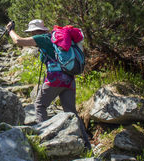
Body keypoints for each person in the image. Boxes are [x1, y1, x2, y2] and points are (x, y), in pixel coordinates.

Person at [6, 19, 91, 149]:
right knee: (71, 111)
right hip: (69, 79)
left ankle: (44, 139)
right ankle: (86, 144)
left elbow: (18, 41)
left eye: (32, 32)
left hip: (55, 79)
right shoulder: (54, 38)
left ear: (35, 31)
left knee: (40, 105)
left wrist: (10, 30)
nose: (31, 34)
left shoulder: (42, 38)